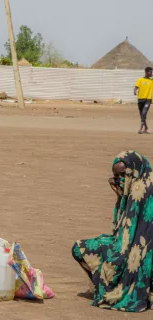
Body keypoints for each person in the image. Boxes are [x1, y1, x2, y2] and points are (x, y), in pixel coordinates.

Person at [72, 151, 153, 312]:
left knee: (82, 248)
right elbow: (121, 227)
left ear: (135, 170)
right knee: (81, 248)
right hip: (126, 243)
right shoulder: (133, 187)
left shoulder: (141, 190)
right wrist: (120, 197)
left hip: (141, 251)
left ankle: (108, 289)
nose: (121, 179)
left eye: (124, 174)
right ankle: (103, 287)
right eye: (117, 176)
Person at [134, 67, 153, 134]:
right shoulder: (140, 80)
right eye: (151, 72)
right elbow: (136, 87)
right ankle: (146, 128)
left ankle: (141, 129)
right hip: (140, 99)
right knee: (142, 115)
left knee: (144, 113)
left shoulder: (152, 81)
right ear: (146, 72)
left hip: (148, 99)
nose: (152, 73)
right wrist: (135, 91)